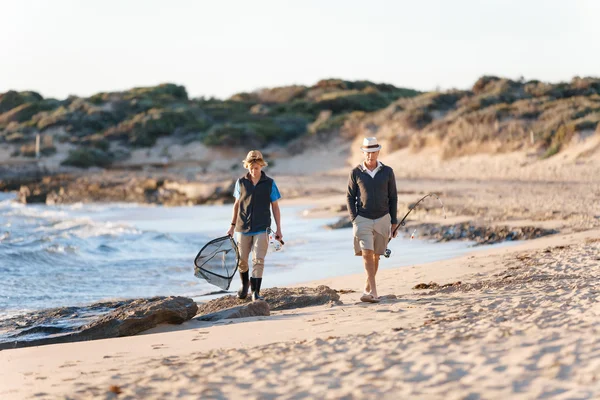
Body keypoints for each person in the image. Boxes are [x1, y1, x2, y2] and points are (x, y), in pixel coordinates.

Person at [346, 137, 398, 303]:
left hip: (383, 218)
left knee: (376, 256)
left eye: (373, 152)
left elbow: (393, 197)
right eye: (367, 152)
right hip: (363, 219)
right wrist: (355, 218)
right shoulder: (355, 172)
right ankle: (374, 293)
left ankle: (367, 289)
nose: (370, 155)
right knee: (367, 254)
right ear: (363, 152)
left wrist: (394, 222)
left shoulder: (387, 171)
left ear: (378, 152)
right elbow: (349, 197)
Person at [227, 150, 283, 301]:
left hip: (262, 227)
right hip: (242, 227)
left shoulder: (270, 183)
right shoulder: (241, 182)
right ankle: (244, 285)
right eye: (251, 167)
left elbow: (275, 207)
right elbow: (236, 205)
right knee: (242, 260)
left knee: (258, 259)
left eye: (256, 167)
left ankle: (255, 292)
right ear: (247, 166)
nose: (253, 170)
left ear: (261, 166)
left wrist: (278, 229)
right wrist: (232, 226)